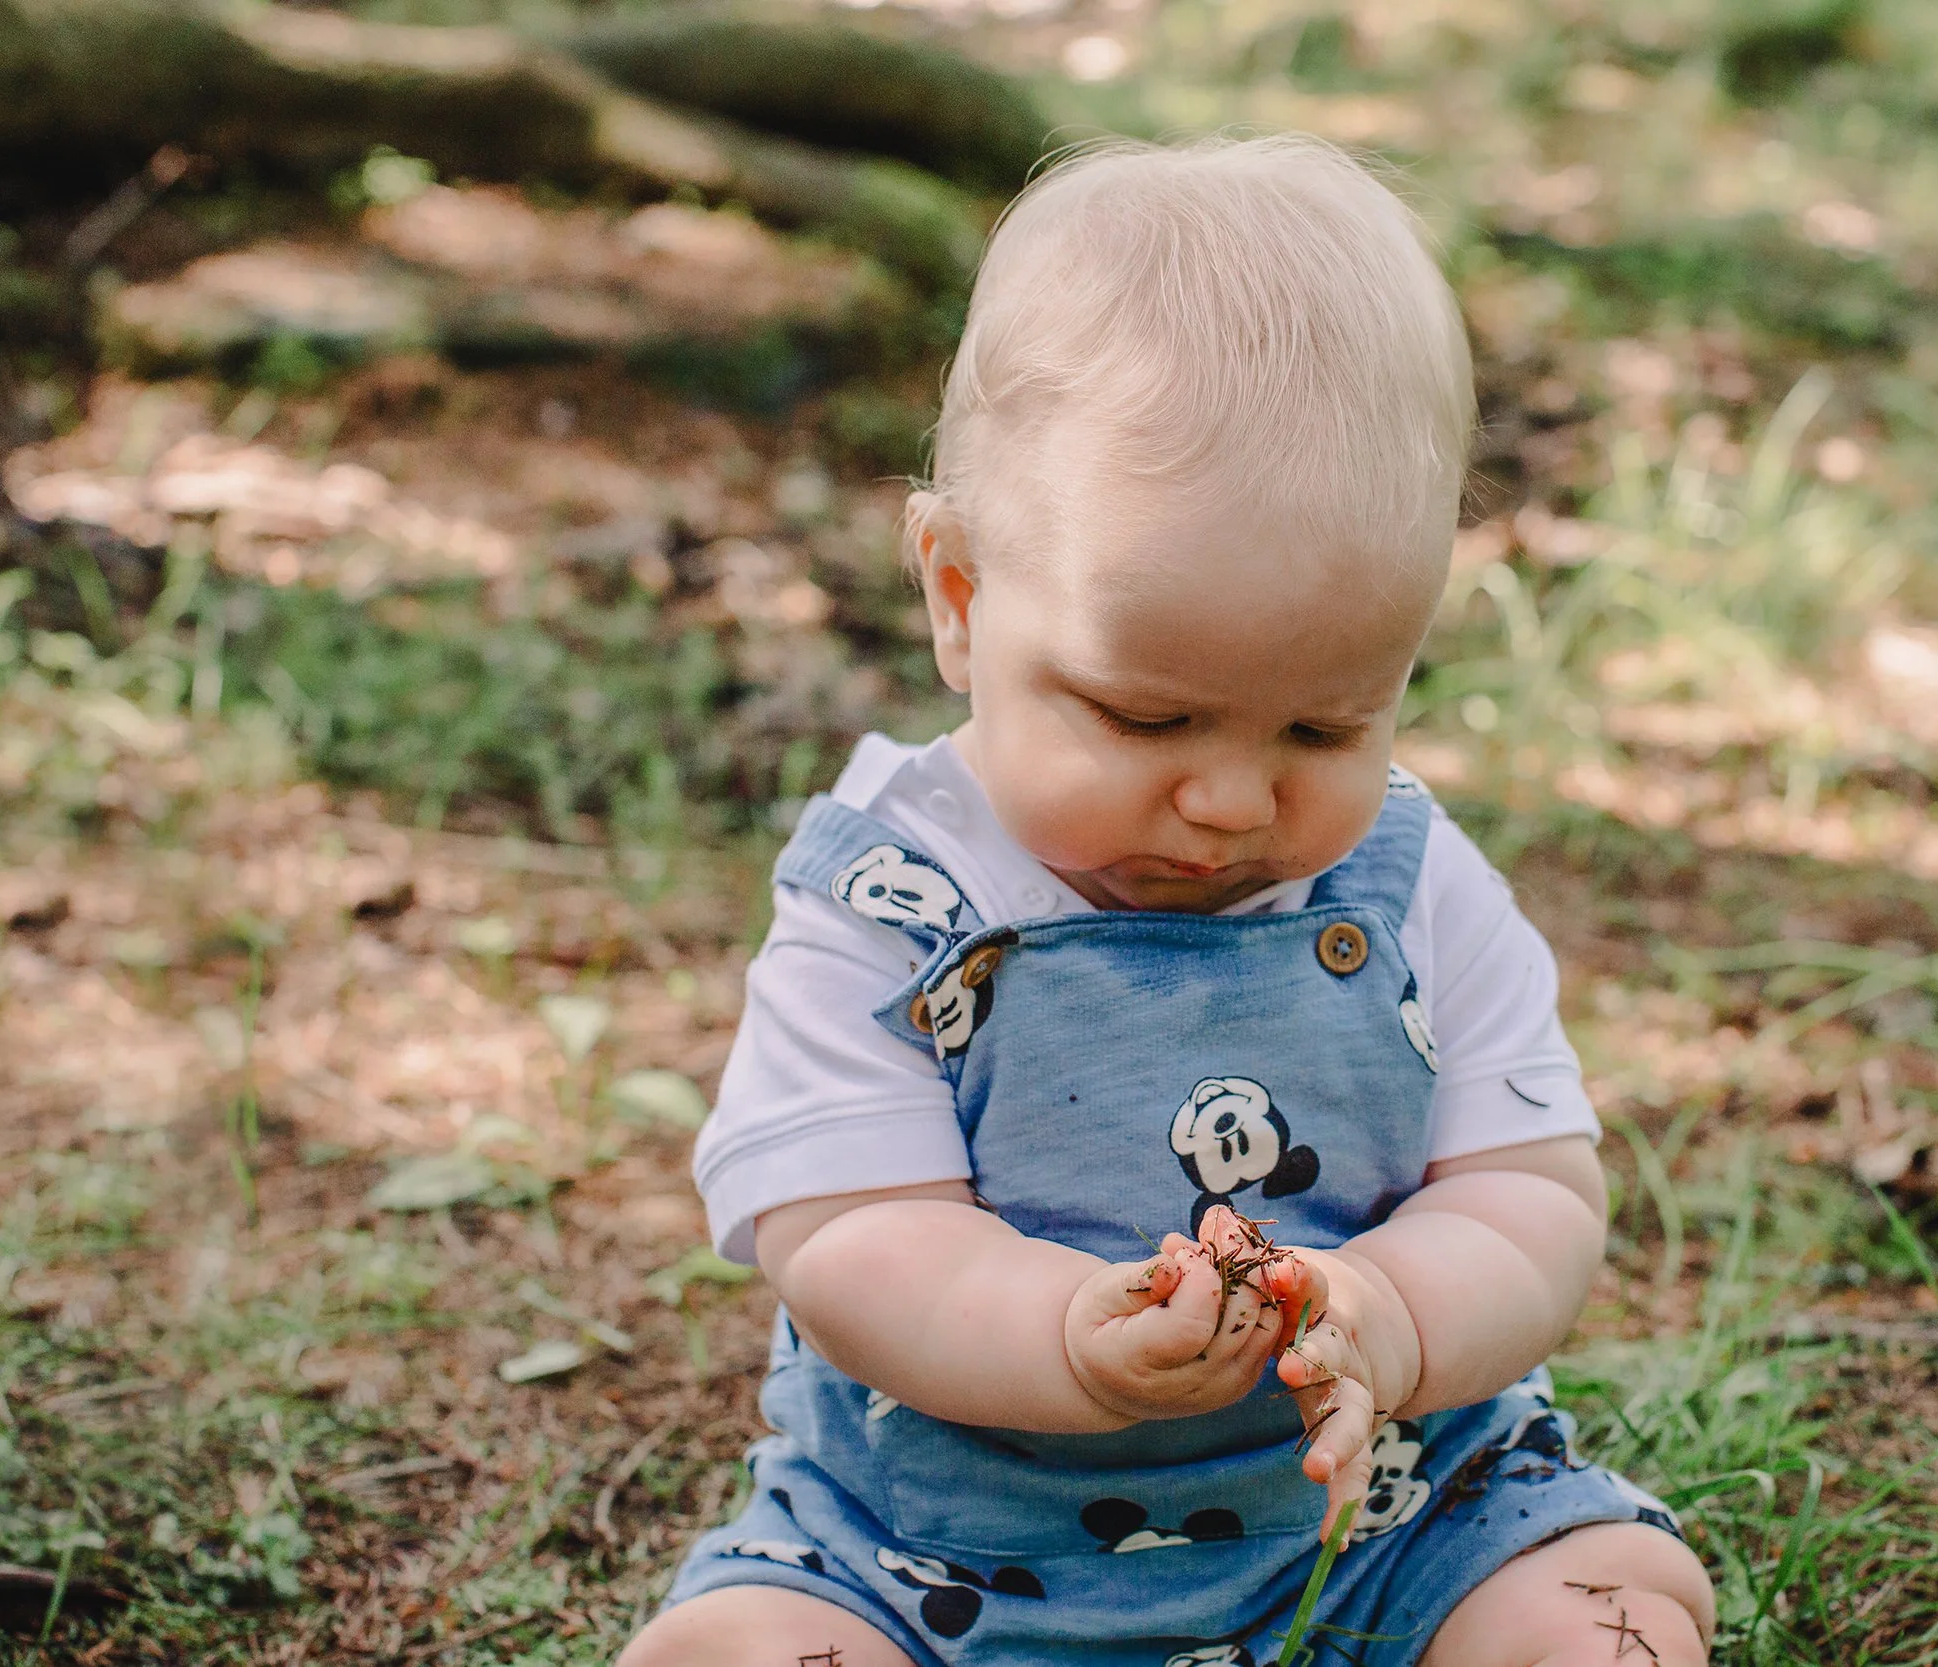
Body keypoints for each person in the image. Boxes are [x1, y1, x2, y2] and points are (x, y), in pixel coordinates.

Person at [618, 134, 1714, 1667]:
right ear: (957, 595)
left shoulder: (1411, 883)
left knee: (1605, 1610)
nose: (1233, 801)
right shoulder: (890, 903)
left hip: (1393, 1518)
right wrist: (1067, 1340)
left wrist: (1392, 1307)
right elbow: (848, 1233)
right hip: (930, 1553)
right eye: (1146, 719)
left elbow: (1536, 1195)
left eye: (1325, 729)